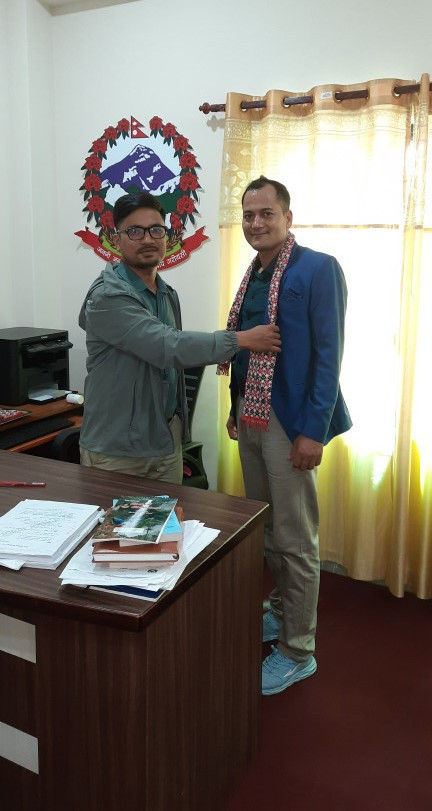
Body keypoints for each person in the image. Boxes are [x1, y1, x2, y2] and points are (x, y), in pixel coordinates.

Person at [220, 176, 352, 695]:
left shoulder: (317, 268)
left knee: (295, 538)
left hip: (291, 421)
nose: (256, 223)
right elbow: (245, 347)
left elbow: (328, 356)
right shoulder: (254, 274)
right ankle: (280, 610)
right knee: (267, 528)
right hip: (251, 415)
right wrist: (235, 409)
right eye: (248, 215)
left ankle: (298, 651)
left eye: (266, 213)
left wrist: (312, 432)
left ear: (288, 217)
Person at [79, 191, 281, 483]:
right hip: (117, 451)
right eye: (134, 231)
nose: (147, 239)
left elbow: (171, 368)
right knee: (115, 517)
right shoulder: (107, 296)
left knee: (172, 515)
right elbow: (167, 346)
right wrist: (239, 339)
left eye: (156, 230)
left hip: (164, 444)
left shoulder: (165, 293)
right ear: (116, 239)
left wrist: (179, 430)